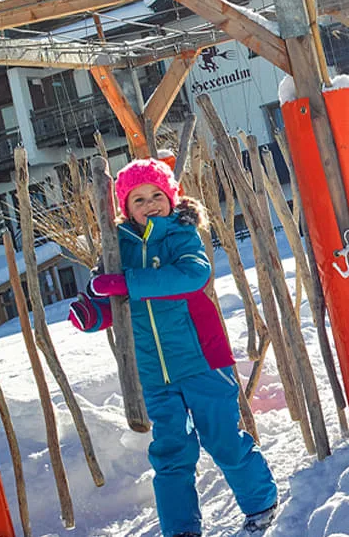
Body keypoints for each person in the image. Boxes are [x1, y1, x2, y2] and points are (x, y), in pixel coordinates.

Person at [67, 158, 278, 537]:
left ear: (170, 197)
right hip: (155, 373)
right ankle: (180, 529)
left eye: (155, 195)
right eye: (138, 200)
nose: (149, 205)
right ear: (125, 208)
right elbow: (116, 303)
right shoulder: (118, 248)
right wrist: (92, 312)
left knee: (222, 438)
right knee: (170, 454)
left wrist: (126, 282)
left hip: (201, 359)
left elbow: (193, 274)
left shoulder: (181, 233)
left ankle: (261, 501)